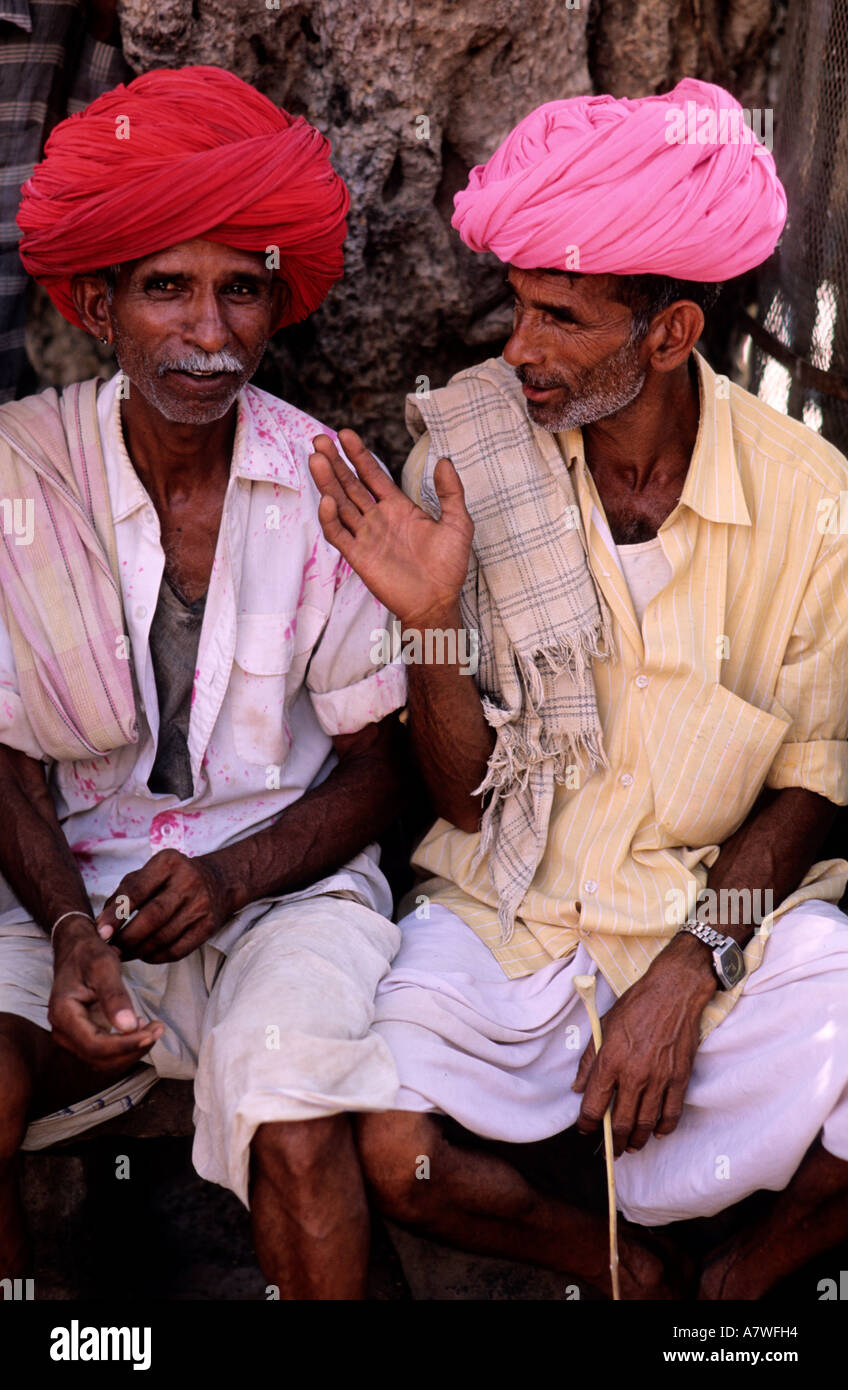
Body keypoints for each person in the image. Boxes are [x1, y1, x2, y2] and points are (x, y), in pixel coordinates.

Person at [309, 77, 848, 1300]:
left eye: (558, 318)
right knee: (392, 1147)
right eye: (517, 305)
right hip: (516, 908)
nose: (517, 349)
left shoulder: (810, 499)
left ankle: (743, 1280)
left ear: (668, 335)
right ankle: (622, 1275)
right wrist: (435, 624)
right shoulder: (463, 459)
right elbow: (457, 806)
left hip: (707, 915)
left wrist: (689, 964)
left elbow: (814, 781)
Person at [0, 65, 408, 1301]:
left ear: (274, 309)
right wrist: (71, 926)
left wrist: (232, 876)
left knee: (298, 1124)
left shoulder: (327, 480)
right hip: (70, 895)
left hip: (284, 891)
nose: (208, 331)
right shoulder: (21, 471)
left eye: (240, 290)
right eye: (165, 288)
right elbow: (8, 756)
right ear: (95, 304)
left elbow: (377, 769)